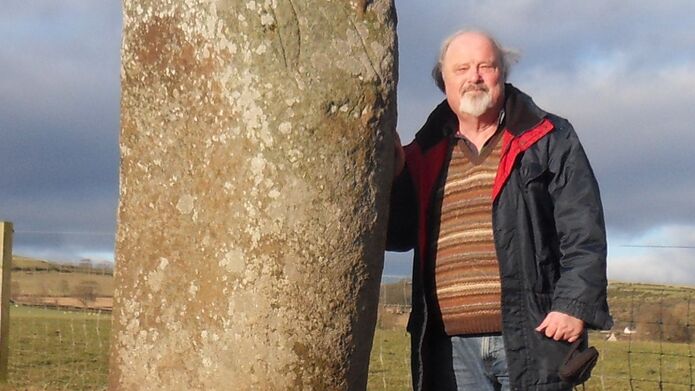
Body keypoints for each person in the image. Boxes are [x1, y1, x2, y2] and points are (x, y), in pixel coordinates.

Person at [387, 30, 613, 391]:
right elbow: (397, 236)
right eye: (461, 69)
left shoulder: (550, 138)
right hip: (450, 347)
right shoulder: (424, 153)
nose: (473, 77)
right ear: (443, 80)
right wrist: (396, 178)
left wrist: (574, 305)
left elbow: (584, 232)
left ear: (502, 74)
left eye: (485, 66)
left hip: (533, 337)